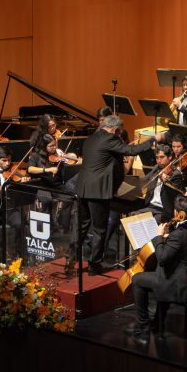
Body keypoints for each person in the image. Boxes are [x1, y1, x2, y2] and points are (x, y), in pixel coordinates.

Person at [74, 115, 155, 274]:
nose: (119, 136)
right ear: (115, 129)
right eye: (119, 133)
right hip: (98, 191)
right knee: (99, 229)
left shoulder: (91, 138)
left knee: (82, 226)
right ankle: (94, 265)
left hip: (83, 188)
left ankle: (71, 260)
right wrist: (152, 141)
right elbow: (131, 151)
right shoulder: (110, 139)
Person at [125, 197, 187, 342]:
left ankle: (143, 327)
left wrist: (159, 237)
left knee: (137, 279)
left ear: (179, 213)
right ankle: (157, 323)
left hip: (176, 284)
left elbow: (162, 259)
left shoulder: (178, 235)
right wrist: (169, 237)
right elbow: (183, 245)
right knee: (162, 272)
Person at [137, 144, 184, 223]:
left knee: (149, 222)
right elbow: (146, 179)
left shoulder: (176, 174)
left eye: (162, 157)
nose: (159, 160)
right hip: (151, 206)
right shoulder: (157, 168)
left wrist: (166, 182)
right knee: (133, 219)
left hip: (163, 209)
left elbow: (175, 195)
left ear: (169, 157)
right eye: (157, 157)